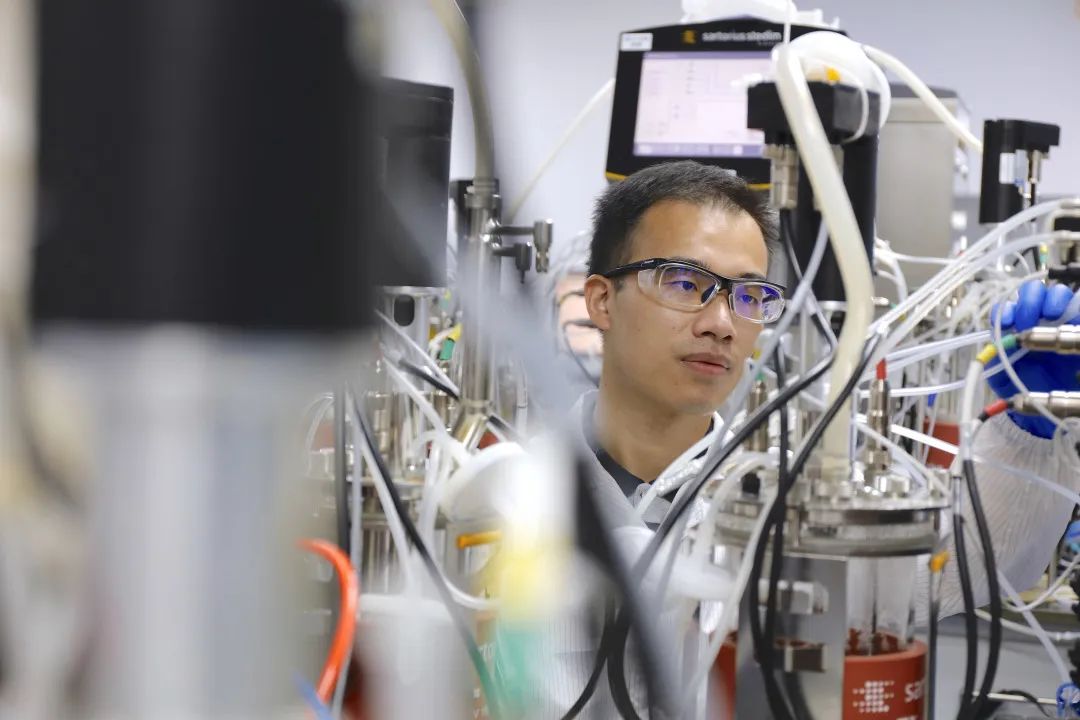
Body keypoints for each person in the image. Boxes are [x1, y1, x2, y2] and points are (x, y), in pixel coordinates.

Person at [543, 160, 1080, 716]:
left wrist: (1029, 432)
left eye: (748, 295)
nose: (721, 323)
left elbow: (962, 566)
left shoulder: (791, 502)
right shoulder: (508, 498)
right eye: (684, 283)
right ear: (601, 301)